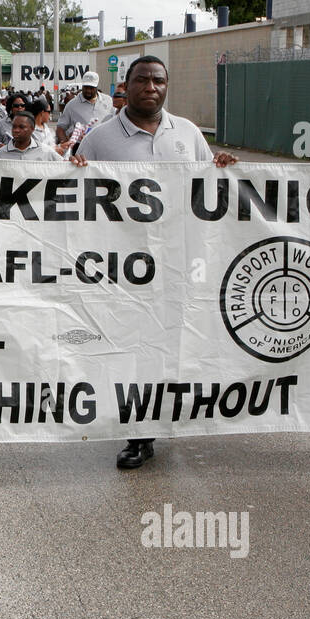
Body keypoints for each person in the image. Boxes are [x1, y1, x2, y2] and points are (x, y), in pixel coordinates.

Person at [71, 55, 237, 471]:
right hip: (125, 268)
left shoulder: (188, 133)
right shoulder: (101, 138)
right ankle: (140, 434)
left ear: (167, 86)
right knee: (136, 348)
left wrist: (224, 170)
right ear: (125, 86)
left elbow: (207, 190)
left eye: (158, 80)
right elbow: (75, 194)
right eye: (141, 80)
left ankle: (169, 416)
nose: (151, 87)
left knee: (175, 345)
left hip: (178, 263)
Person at [56, 71, 112, 146]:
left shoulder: (108, 101)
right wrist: (65, 144)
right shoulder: (72, 105)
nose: (88, 91)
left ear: (96, 87)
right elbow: (60, 128)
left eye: (91, 88)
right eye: (86, 87)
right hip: (80, 147)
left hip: (104, 146)